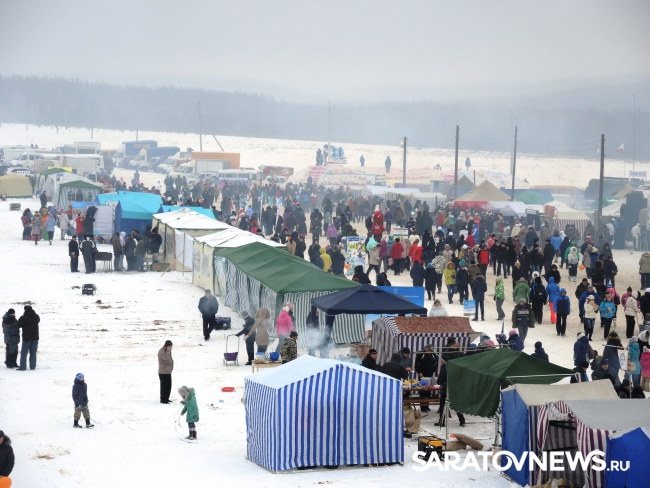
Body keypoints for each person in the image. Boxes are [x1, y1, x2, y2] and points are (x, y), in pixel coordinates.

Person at [435, 357, 466, 427]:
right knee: (456, 405)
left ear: (444, 361)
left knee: (442, 405)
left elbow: (439, 381)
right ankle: (462, 420)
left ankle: (442, 422)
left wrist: (440, 381)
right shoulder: (454, 367)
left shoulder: (444, 368)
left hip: (446, 389)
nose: (440, 361)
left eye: (441, 360)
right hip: (454, 389)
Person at [16, 305, 40, 371]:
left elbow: (18, 325)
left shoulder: (24, 317)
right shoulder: (36, 316)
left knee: (24, 353)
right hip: (35, 338)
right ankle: (32, 366)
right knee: (33, 353)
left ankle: (23, 367)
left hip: (27, 338)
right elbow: (38, 321)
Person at [415, 345, 437, 412]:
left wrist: (433, 370)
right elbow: (416, 364)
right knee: (422, 390)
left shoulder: (434, 355)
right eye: (428, 350)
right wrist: (419, 372)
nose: (429, 351)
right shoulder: (420, 354)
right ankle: (422, 407)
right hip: (422, 375)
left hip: (430, 375)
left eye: (430, 350)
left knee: (428, 390)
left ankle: (427, 406)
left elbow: (436, 363)